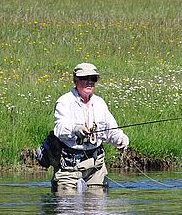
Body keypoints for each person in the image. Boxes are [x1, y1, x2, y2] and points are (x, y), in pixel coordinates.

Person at [51, 62, 129, 193]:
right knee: (67, 205)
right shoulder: (64, 102)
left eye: (93, 79)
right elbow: (59, 128)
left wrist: (120, 139)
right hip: (70, 167)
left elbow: (111, 130)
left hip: (96, 167)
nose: (89, 82)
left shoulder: (100, 103)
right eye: (84, 78)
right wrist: (75, 129)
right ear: (75, 80)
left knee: (97, 207)